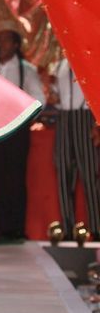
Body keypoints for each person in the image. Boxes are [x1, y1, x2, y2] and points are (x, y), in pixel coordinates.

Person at [0, 25, 45, 239]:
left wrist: (21, 114)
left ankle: (15, 227)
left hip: (17, 129)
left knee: (15, 178)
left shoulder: (25, 69)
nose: (1, 45)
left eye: (6, 40)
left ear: (16, 44)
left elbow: (40, 99)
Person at [53, 57, 100, 238]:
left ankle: (96, 227)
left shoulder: (90, 62)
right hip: (64, 117)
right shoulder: (60, 65)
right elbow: (57, 97)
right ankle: (67, 227)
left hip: (85, 116)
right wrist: (53, 96)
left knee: (89, 173)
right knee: (64, 172)